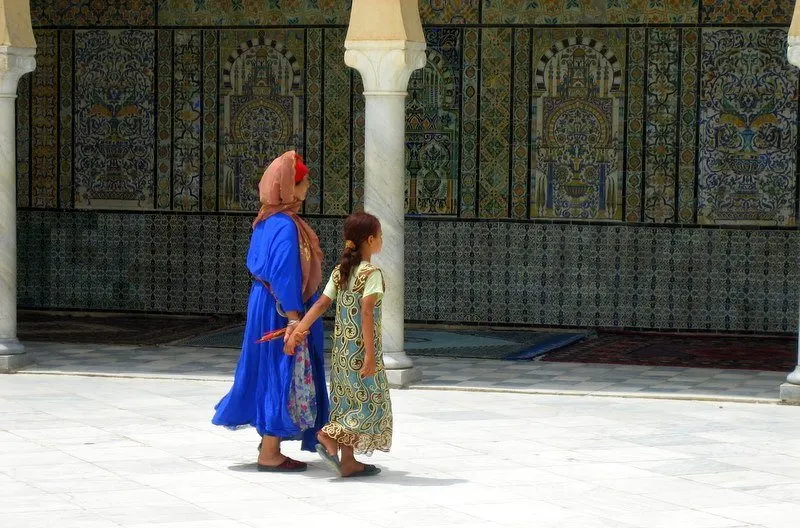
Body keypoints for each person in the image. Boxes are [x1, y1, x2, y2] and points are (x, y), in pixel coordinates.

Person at [212, 150, 329, 472]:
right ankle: (270, 452)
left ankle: (269, 441)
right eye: (303, 182)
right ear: (290, 187)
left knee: (269, 367)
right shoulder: (285, 225)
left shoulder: (266, 221)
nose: (307, 188)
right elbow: (284, 273)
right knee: (282, 369)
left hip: (265, 303)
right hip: (280, 308)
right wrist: (294, 319)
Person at [285, 212, 392, 478]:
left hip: (343, 353)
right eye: (380, 235)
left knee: (347, 402)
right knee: (369, 403)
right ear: (370, 240)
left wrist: (299, 330)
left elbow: (321, 304)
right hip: (362, 352)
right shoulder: (371, 274)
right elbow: (367, 313)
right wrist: (370, 355)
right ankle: (328, 434)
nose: (381, 240)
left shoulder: (340, 271)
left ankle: (349, 461)